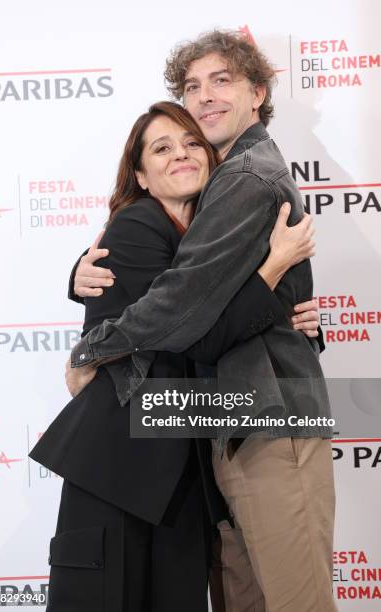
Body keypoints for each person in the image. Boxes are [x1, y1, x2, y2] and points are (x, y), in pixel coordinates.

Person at [69, 31, 337, 612]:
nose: (206, 96)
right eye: (193, 86)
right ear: (140, 173)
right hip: (231, 426)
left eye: (222, 81)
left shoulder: (241, 179)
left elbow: (189, 305)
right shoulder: (215, 186)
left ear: (258, 92)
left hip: (270, 423)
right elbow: (193, 303)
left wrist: (94, 347)